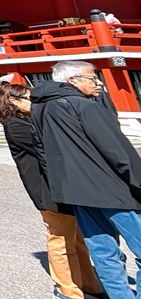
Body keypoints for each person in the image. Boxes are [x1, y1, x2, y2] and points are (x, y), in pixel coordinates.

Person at [32, 60, 141, 298]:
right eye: (92, 78)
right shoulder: (84, 106)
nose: (98, 82)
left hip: (76, 193)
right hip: (112, 190)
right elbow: (117, 151)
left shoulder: (40, 108)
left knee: (104, 254)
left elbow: (42, 152)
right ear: (72, 80)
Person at [0, 81, 102, 299]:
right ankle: (66, 289)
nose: (33, 102)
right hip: (46, 190)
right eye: (29, 98)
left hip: (64, 187)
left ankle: (89, 284)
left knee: (76, 239)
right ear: (13, 101)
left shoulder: (29, 120)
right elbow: (48, 146)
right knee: (60, 240)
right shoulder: (15, 125)